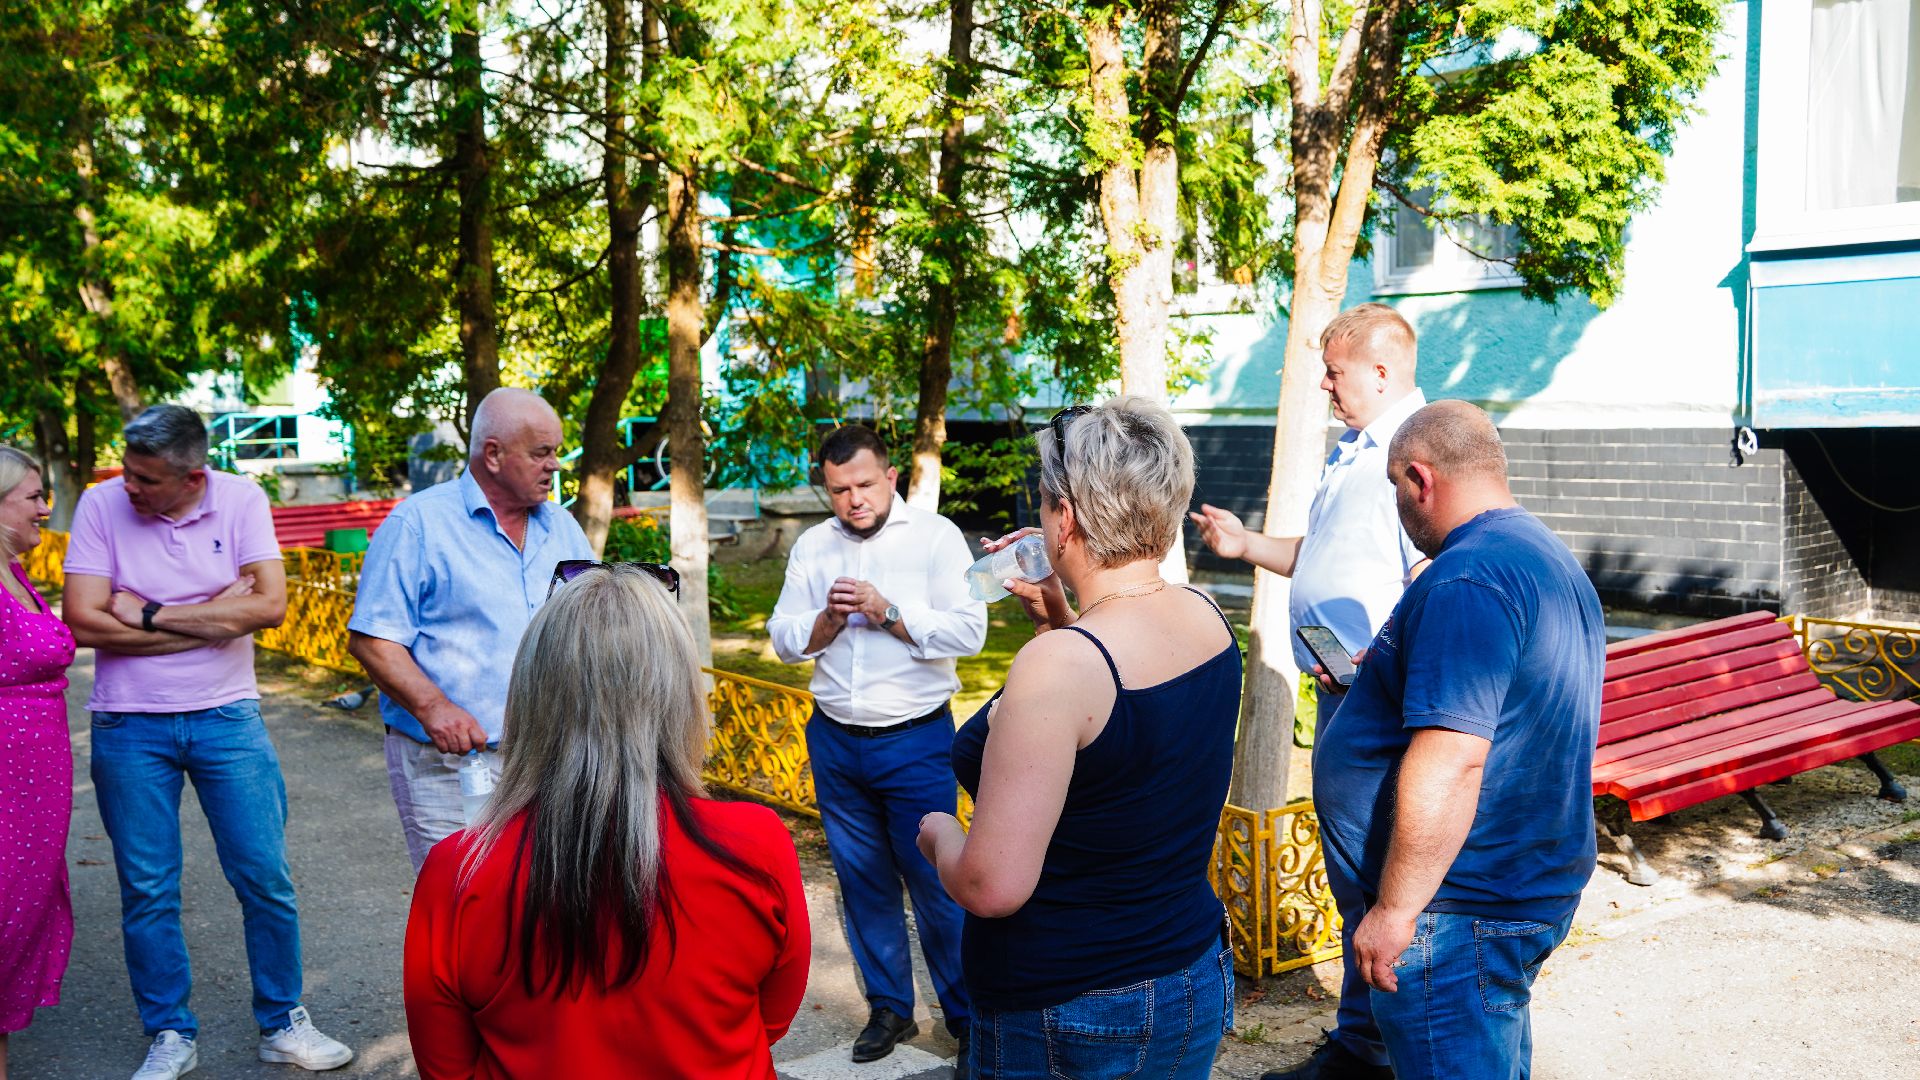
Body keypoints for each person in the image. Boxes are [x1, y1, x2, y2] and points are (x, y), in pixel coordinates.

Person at [917, 395, 1239, 1079]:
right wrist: (1056, 615)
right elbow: (1117, 741)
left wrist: (939, 832)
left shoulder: (1061, 666)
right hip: (1187, 974)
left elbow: (992, 885)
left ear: (1064, 517)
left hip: (1068, 1009)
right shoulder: (1206, 615)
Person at [404, 563, 809, 1078]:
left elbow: (446, 1066)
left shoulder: (456, 871)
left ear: (532, 693)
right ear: (680, 693)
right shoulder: (755, 842)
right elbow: (771, 1017)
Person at [1314, 401, 1604, 1080]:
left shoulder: (1468, 578)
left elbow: (1453, 757)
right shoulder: (1539, 553)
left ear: (1421, 479)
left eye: (1395, 490)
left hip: (1458, 910)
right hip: (1508, 890)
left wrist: (1395, 910)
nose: (1400, 511)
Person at [62, 405, 352, 1079]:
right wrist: (214, 619)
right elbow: (82, 618)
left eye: (146, 477)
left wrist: (150, 611)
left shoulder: (242, 499)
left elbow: (269, 606)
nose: (128, 485)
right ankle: (170, 1032)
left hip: (228, 718)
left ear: (194, 476)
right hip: (128, 722)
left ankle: (282, 1022)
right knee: (147, 888)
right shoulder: (103, 504)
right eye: (128, 470)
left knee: (265, 877)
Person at [1190, 302, 1426, 1080]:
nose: (1325, 384)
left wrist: (1382, 660)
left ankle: (1391, 1045)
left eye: (1336, 370)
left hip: (1385, 703)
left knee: (1380, 875)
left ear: (1382, 371)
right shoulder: (1356, 450)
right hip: (1342, 690)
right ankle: (1364, 1040)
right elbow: (1325, 556)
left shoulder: (1417, 452)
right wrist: (1246, 543)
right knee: (1348, 871)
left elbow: (1432, 578)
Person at [766, 425, 984, 1065]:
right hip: (834, 738)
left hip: (915, 738)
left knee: (937, 881)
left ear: (890, 476)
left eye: (864, 484)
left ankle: (968, 1016)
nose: (854, 499)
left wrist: (888, 611)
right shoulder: (813, 545)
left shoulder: (936, 538)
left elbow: (970, 631)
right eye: (839, 490)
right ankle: (891, 1009)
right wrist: (826, 622)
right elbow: (784, 636)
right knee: (863, 882)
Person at [347, 387, 593, 871]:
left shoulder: (564, 528)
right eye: (542, 453)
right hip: (451, 770)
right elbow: (373, 639)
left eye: (557, 451)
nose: (556, 465)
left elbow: (588, 626)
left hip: (551, 763)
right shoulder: (419, 525)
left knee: (547, 910)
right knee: (462, 910)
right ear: (494, 455)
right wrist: (433, 706)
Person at [0, 448, 76, 1080]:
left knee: (18, 922)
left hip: (35, 788)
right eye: (32, 497)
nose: (45, 508)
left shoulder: (15, 573)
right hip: (7, 785)